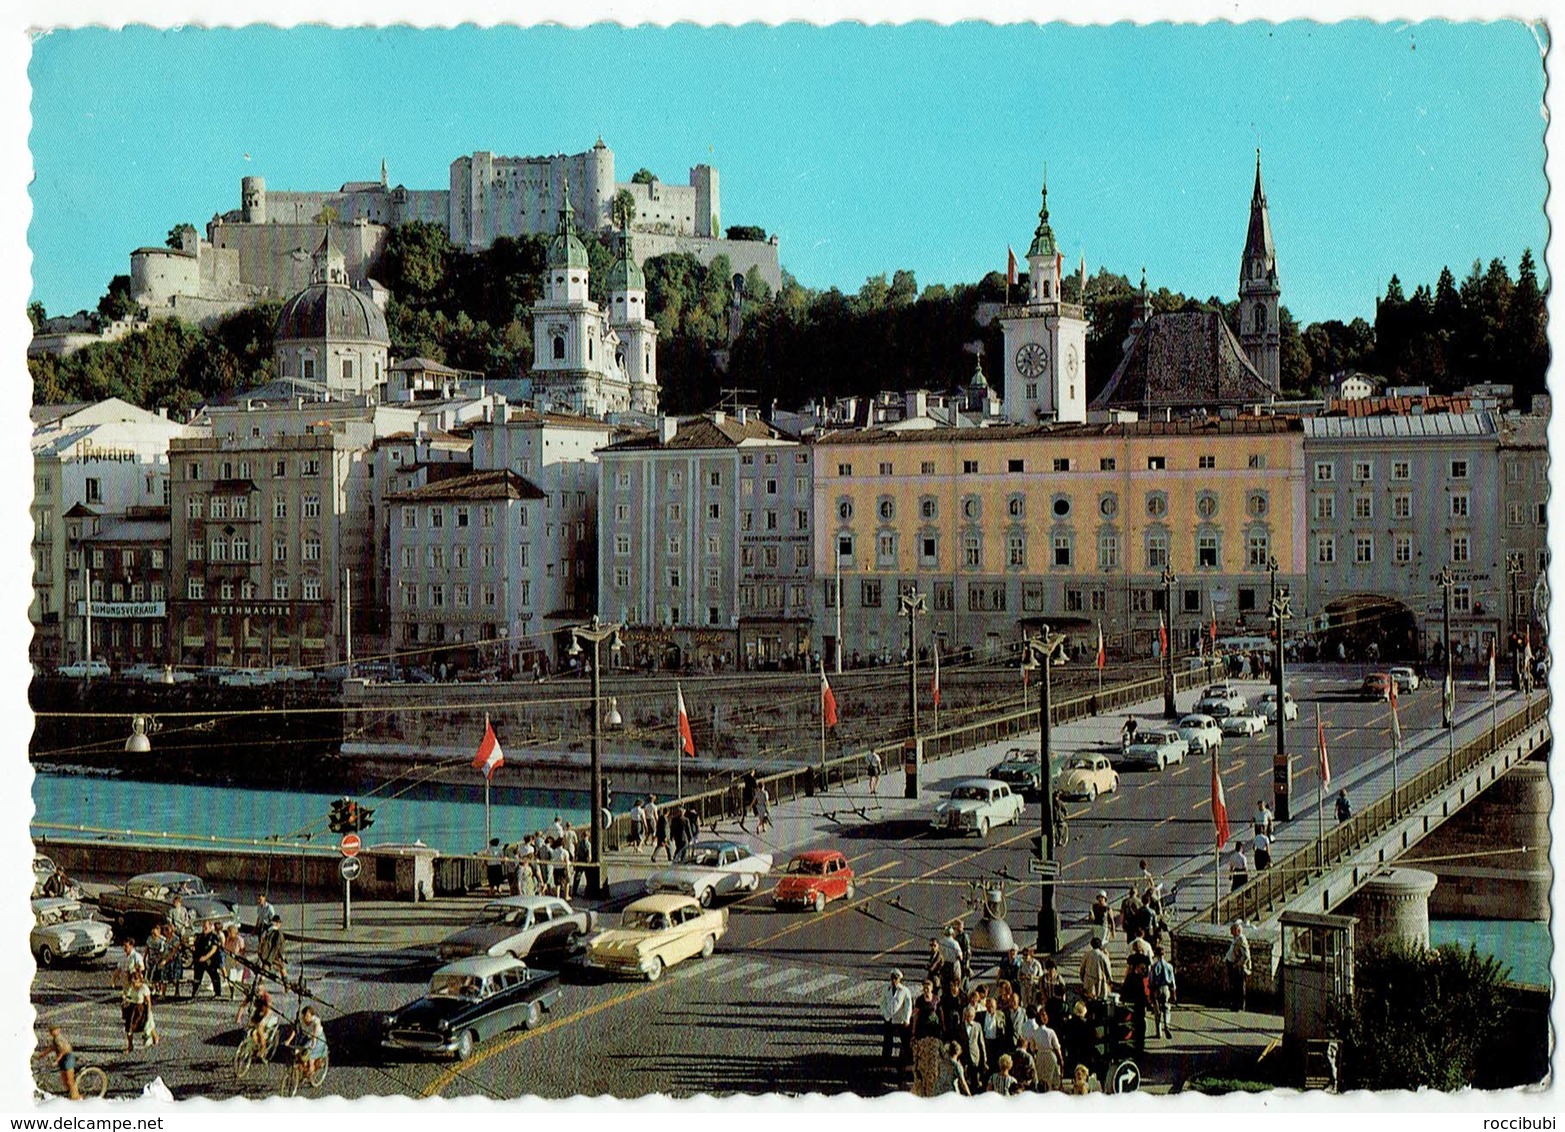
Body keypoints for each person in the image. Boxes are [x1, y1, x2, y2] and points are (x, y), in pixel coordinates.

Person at [879, 969, 913, 1061]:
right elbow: (882, 1002)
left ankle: (908, 1057)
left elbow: (908, 1006)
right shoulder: (886, 988)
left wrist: (907, 1019)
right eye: (892, 978)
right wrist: (884, 1013)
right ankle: (886, 1058)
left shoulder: (905, 991)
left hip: (900, 1019)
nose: (894, 981)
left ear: (899, 979)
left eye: (896, 979)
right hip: (889, 1018)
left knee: (905, 1040)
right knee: (887, 1040)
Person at [37, 1026, 79, 1100]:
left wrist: (56, 1061)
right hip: (62, 1059)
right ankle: (72, 1095)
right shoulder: (55, 1039)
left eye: (54, 1030)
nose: (52, 1032)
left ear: (58, 1030)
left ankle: (76, 1097)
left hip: (67, 1058)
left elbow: (63, 1050)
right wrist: (42, 1055)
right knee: (65, 1080)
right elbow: (52, 1048)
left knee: (70, 1081)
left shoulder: (59, 1039)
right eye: (51, 1031)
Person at [291, 1005, 328, 1084]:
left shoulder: (316, 1021)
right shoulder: (302, 1021)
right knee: (301, 1055)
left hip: (318, 1039)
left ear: (312, 1016)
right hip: (309, 1038)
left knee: (311, 1057)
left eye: (308, 1016)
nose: (305, 1018)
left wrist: (313, 1044)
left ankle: (313, 1069)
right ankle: (305, 1072)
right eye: (304, 1016)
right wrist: (289, 1040)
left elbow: (314, 1034)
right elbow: (295, 1031)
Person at [1150, 944, 1177, 1038]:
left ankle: (1158, 1032)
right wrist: (1173, 993)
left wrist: (1151, 992)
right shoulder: (1169, 966)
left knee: (1157, 1010)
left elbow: (1151, 980)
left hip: (1157, 988)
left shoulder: (1153, 967)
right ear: (1164, 954)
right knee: (1166, 1008)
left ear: (1156, 955)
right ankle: (1166, 1025)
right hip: (1166, 988)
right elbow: (1172, 981)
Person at [191, 920, 224, 998]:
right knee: (197, 978)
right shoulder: (199, 936)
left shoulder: (214, 936)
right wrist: (193, 948)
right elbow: (195, 945)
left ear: (210, 927)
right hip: (199, 960)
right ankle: (194, 993)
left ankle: (217, 993)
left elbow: (214, 949)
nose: (204, 928)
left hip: (210, 960)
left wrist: (205, 957)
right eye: (203, 927)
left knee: (214, 977)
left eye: (206, 927)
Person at [1225, 921, 1252, 1011]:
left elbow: (1246, 956)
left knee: (1238, 986)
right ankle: (1235, 1004)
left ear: (1238, 931)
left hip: (1238, 967)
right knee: (1234, 985)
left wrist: (1238, 964)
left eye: (1232, 930)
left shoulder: (1241, 939)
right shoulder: (1236, 938)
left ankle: (1239, 1006)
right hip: (1232, 965)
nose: (1230, 932)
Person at [1078, 935, 1113, 1004]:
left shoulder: (1087, 955)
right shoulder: (1103, 956)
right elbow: (1108, 969)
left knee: (1089, 999)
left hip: (1089, 980)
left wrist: (1082, 978)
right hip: (1101, 980)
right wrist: (1110, 980)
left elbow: (1082, 968)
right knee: (1101, 1000)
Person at [222, 924, 247, 998]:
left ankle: (244, 993)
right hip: (229, 960)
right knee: (230, 978)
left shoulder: (239, 939)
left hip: (238, 960)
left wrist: (239, 960)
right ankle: (232, 993)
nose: (228, 934)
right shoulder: (228, 939)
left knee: (237, 979)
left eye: (229, 932)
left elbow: (243, 951)